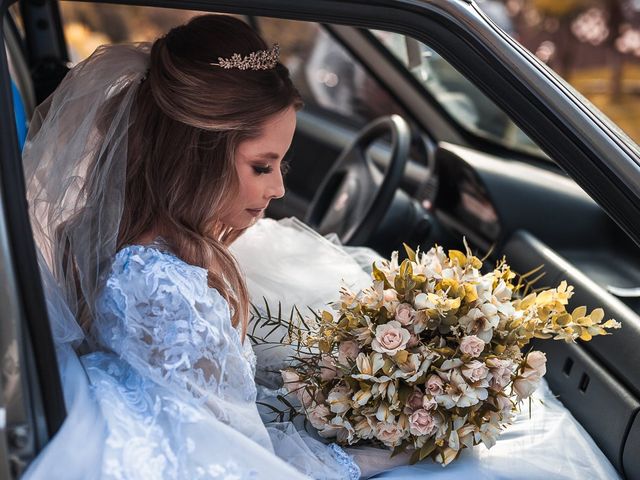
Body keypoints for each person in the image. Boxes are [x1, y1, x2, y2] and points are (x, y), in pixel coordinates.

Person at [21, 13, 619, 480]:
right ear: (194, 159)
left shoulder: (144, 254)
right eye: (263, 166)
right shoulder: (165, 287)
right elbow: (238, 456)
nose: (279, 189)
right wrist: (360, 459)